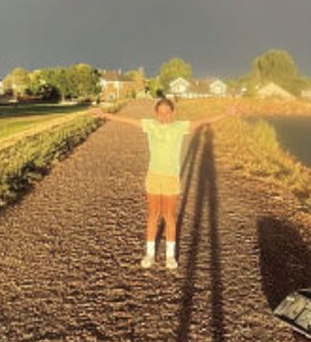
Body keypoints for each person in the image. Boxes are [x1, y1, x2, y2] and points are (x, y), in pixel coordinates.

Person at [91, 94, 241, 269]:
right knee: (153, 215)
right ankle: (150, 254)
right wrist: (104, 115)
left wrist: (225, 114)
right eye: (160, 113)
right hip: (154, 176)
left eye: (167, 113)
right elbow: (127, 120)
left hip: (171, 177)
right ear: (156, 114)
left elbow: (201, 122)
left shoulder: (180, 127)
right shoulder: (150, 125)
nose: (164, 117)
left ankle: (170, 256)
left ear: (173, 113)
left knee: (169, 216)